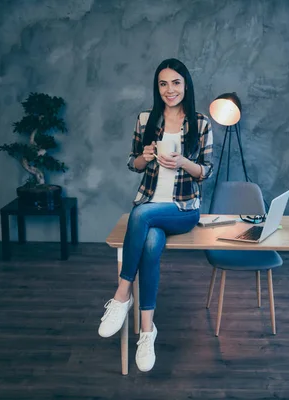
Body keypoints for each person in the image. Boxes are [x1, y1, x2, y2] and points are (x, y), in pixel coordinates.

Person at [98, 58, 213, 372]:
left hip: (183, 209)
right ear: (157, 87)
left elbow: (206, 171)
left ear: (185, 85)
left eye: (175, 83)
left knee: (140, 216)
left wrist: (184, 163)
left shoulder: (200, 122)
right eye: (163, 84)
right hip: (149, 205)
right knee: (148, 242)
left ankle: (122, 295)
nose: (169, 90)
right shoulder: (145, 118)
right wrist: (144, 157)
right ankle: (147, 331)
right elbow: (131, 163)